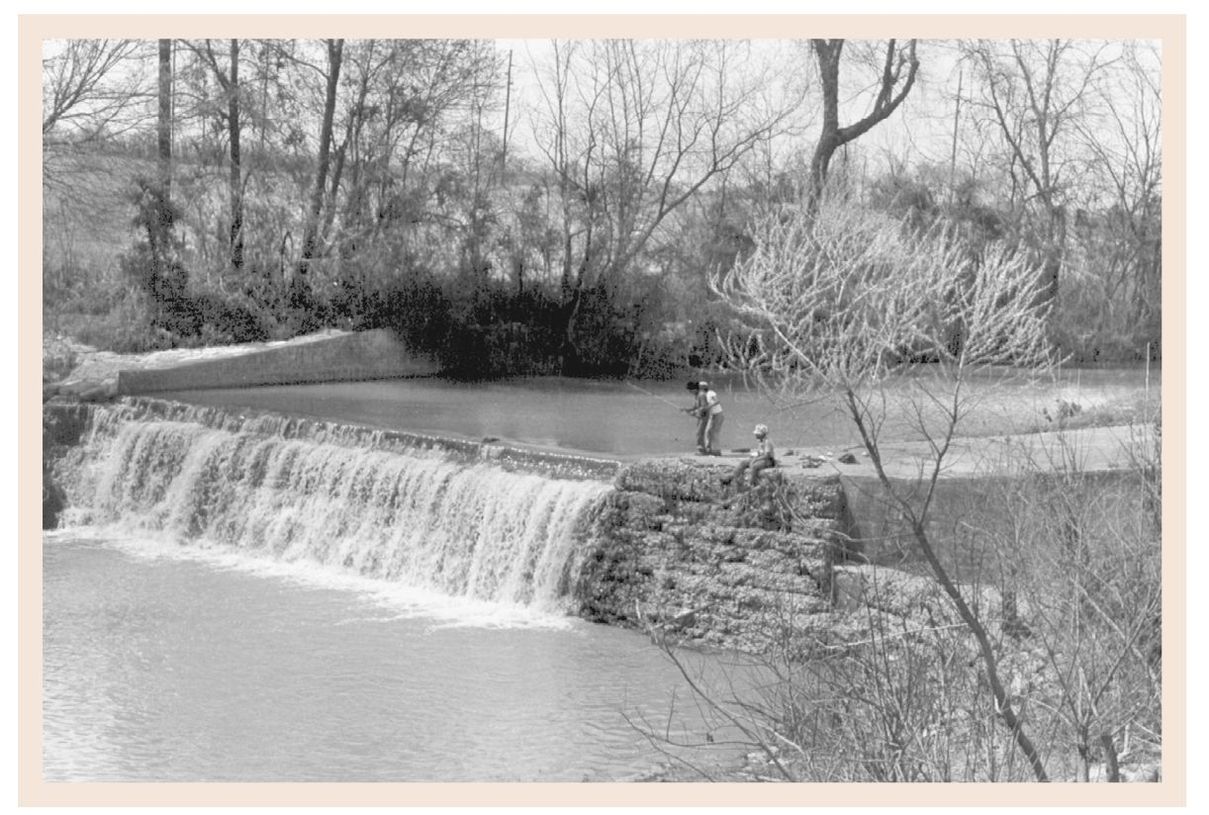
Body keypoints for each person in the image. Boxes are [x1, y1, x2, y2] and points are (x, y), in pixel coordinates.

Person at [721, 424, 776, 489]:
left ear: (762, 434)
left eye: (757, 434)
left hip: (768, 460)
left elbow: (767, 455)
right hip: (761, 457)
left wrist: (756, 459)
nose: (756, 435)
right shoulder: (760, 441)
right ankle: (732, 477)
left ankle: (752, 483)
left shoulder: (767, 442)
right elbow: (760, 452)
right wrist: (754, 457)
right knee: (743, 463)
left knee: (754, 466)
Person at [683, 380, 709, 454]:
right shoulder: (697, 395)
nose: (690, 393)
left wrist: (694, 412)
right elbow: (695, 406)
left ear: (694, 389)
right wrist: (686, 409)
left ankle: (703, 451)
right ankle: (702, 450)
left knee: (699, 433)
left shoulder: (702, 395)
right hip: (700, 417)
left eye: (690, 391)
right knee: (699, 433)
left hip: (704, 417)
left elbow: (704, 406)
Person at [701, 382, 724, 456]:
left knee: (715, 432)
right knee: (708, 431)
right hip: (712, 415)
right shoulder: (703, 396)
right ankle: (709, 449)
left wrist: (708, 407)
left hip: (718, 414)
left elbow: (717, 401)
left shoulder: (710, 393)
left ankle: (716, 451)